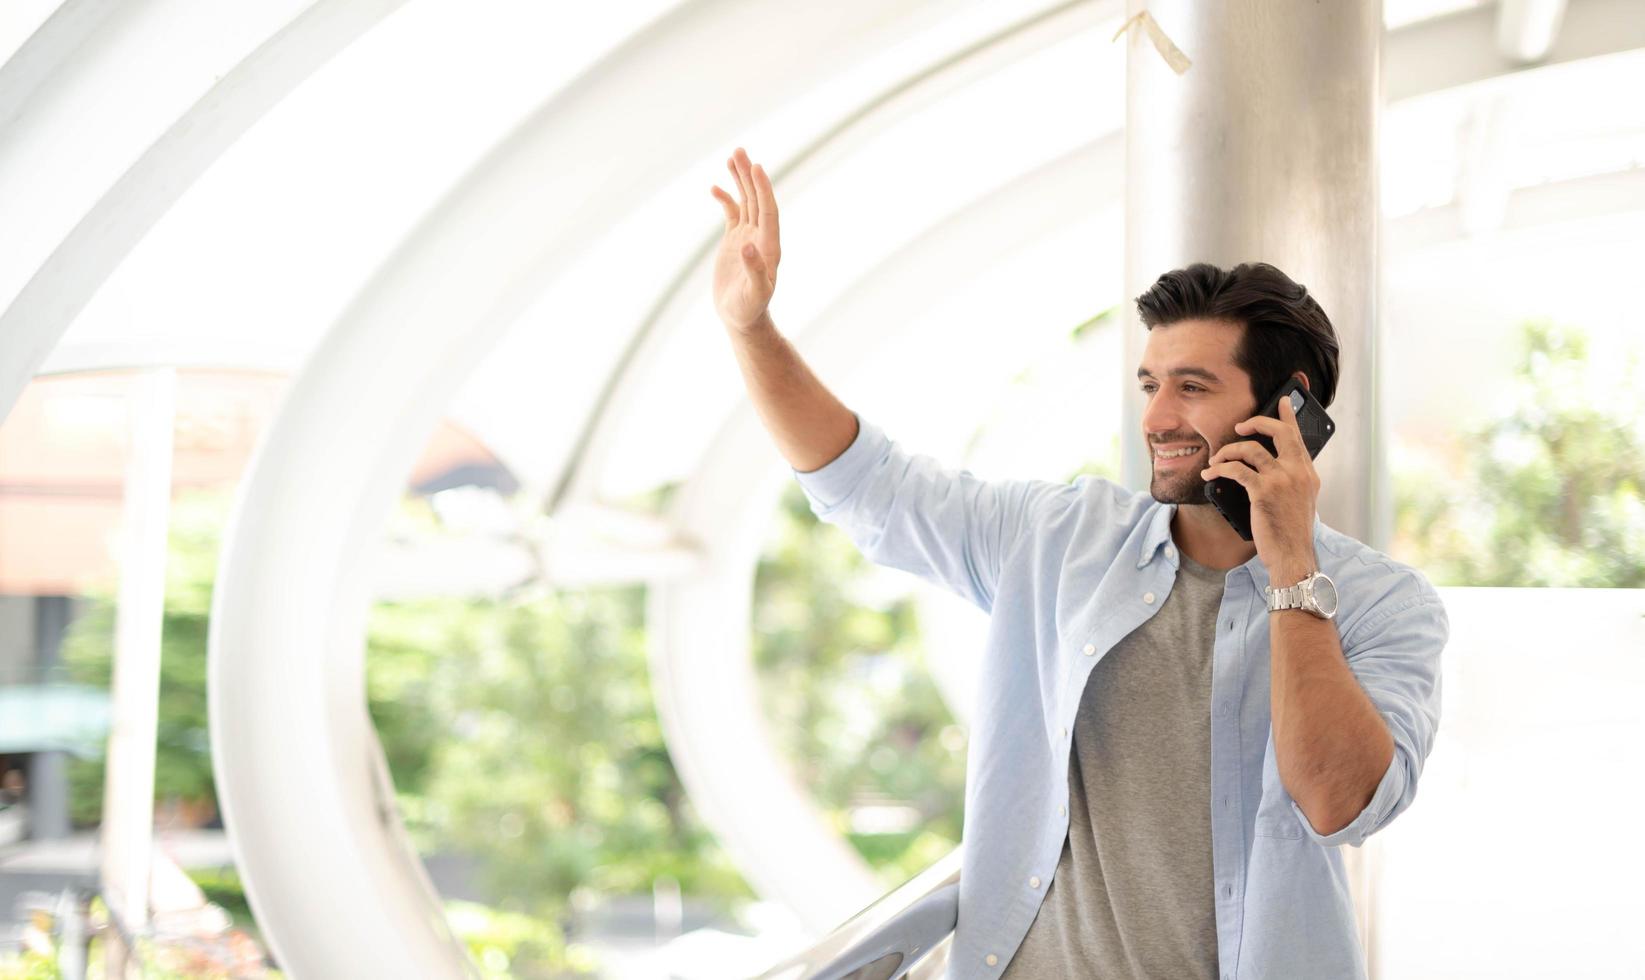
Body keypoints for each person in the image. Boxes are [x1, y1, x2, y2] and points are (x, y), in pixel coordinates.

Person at [709, 147, 1447, 980]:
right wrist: (750, 329)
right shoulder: (1060, 537)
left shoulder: (1386, 604)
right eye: (1148, 386)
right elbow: (866, 485)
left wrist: (1289, 566)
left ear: (1288, 404)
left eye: (1192, 388)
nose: (1158, 418)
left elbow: (1338, 801)